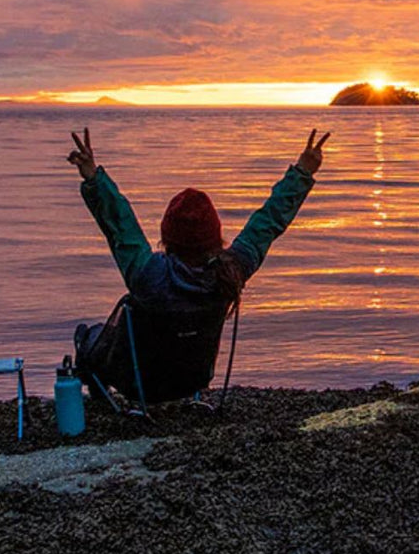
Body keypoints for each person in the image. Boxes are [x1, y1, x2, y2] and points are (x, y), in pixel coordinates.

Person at [67, 126, 330, 402]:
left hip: (137, 384)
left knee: (90, 336)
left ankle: (95, 393)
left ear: (167, 237)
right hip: (193, 379)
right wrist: (303, 173)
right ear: (215, 235)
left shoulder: (149, 275)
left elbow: (120, 225)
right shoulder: (230, 272)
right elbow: (266, 224)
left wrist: (94, 177)